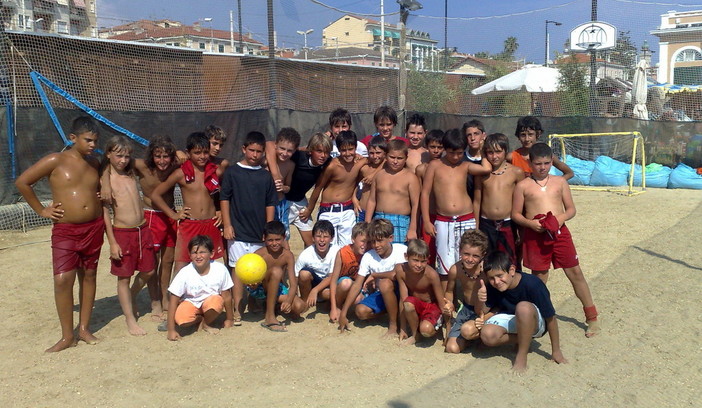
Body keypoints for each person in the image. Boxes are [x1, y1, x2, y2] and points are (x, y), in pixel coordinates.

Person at [15, 116, 104, 352]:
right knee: (63, 280)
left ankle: (84, 329)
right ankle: (67, 336)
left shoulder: (94, 163)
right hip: (66, 229)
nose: (93, 145)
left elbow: (110, 176)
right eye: (88, 140)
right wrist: (41, 210)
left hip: (94, 226)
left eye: (95, 140)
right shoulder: (56, 159)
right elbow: (23, 182)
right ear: (72, 138)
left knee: (90, 275)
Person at [512, 142, 599, 337]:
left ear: (552, 161)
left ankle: (591, 317)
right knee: (539, 279)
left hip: (559, 233)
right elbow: (516, 214)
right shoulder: (523, 186)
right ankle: (538, 318)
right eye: (537, 164)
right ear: (530, 163)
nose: (542, 167)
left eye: (546, 163)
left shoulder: (560, 182)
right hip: (536, 236)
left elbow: (571, 209)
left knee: (575, 272)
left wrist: (559, 219)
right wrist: (530, 224)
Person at [220, 131, 277, 325]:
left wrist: (268, 229)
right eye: (251, 150)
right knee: (237, 270)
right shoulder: (232, 172)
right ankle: (237, 308)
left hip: (259, 233)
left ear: (263, 153)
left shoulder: (265, 176)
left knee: (258, 270)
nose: (254, 155)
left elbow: (271, 203)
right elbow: (224, 199)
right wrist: (227, 225)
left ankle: (255, 303)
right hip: (238, 232)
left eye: (259, 151)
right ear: (244, 149)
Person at [101, 136, 156, 336]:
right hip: (122, 232)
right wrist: (112, 242)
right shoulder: (104, 180)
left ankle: (131, 297)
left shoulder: (130, 173)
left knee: (149, 271)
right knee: (124, 277)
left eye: (126, 156)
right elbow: (105, 212)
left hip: (142, 229)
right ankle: (130, 319)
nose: (123, 160)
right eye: (118, 156)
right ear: (108, 154)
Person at [479, 251, 567, 374]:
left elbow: (550, 318)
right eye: (491, 278)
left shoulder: (533, 284)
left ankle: (522, 355)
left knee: (523, 307)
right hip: (512, 318)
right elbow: (483, 311)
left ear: (512, 270)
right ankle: (523, 339)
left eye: (500, 276)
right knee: (487, 335)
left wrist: (556, 351)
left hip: (535, 322)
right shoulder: (493, 286)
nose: (497, 281)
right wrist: (481, 298)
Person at [151, 132, 225, 276]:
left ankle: (211, 297)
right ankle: (176, 298)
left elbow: (224, 194)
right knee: (181, 266)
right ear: (188, 153)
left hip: (211, 223)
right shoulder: (181, 173)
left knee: (213, 265)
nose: (202, 156)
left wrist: (220, 210)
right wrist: (173, 214)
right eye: (197, 153)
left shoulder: (216, 171)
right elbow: (156, 195)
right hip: (190, 224)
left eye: (205, 152)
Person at [421, 129, 491, 276]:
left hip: (466, 218)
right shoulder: (435, 165)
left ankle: (468, 298)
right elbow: (425, 193)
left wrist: (481, 149)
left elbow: (486, 168)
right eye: (452, 152)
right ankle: (447, 296)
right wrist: (427, 221)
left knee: (469, 262)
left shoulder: (465, 166)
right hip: (443, 221)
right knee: (444, 266)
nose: (456, 156)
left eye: (459, 153)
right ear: (445, 149)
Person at [338, 219, 407, 338]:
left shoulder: (402, 251)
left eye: (380, 241)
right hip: (382, 294)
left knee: (385, 283)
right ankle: (391, 311)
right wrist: (343, 313)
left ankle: (393, 325)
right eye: (373, 241)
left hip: (402, 293)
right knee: (360, 311)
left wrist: (375, 275)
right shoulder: (369, 256)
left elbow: (395, 274)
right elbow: (357, 285)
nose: (376, 245)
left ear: (390, 238)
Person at [267, 132, 332, 247]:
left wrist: (309, 209)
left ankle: (307, 264)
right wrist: (275, 174)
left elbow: (318, 188)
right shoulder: (298, 156)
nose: (323, 155)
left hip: (300, 203)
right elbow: (269, 144)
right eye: (319, 151)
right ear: (311, 150)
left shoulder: (327, 162)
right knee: (282, 241)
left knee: (311, 242)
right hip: (284, 202)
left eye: (326, 152)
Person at [166, 235, 234, 341]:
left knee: (216, 301)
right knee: (181, 320)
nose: (198, 256)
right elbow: (173, 300)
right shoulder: (184, 272)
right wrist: (171, 330)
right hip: (191, 302)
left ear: (211, 253)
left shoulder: (220, 269)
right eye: (194, 252)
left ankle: (206, 323)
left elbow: (227, 296)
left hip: (210, 302)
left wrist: (230, 319)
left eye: (202, 252)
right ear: (189, 254)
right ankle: (199, 319)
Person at [306, 131, 366, 246]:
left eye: (351, 149)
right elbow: (318, 187)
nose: (347, 153)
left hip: (348, 210)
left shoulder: (360, 162)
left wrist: (372, 175)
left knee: (347, 246)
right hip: (328, 211)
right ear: (338, 149)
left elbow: (380, 161)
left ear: (356, 148)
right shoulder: (332, 166)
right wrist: (309, 209)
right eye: (343, 150)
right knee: (326, 246)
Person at [473, 133, 525, 267]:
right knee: (487, 262)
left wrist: (521, 228)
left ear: (505, 151)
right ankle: (489, 288)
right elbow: (477, 201)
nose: (494, 156)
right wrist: (476, 228)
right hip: (486, 225)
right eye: (490, 152)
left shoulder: (516, 172)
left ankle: (512, 288)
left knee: (510, 262)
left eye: (498, 152)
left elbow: (522, 203)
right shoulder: (482, 174)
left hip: (508, 224)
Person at [253, 221, 307, 331]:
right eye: (270, 240)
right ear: (264, 238)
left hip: (278, 289)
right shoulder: (259, 254)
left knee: (300, 306)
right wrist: (253, 286)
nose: (274, 243)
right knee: (276, 271)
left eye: (277, 239)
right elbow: (250, 277)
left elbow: (293, 284)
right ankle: (269, 317)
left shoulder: (287, 255)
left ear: (284, 238)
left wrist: (289, 300)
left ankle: (276, 305)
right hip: (261, 288)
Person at [365, 140, 420, 244]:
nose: (395, 161)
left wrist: (412, 229)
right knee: (379, 251)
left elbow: (416, 205)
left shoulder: (410, 177)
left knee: (399, 255)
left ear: (406, 158)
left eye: (399, 158)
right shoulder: (379, 175)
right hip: (379, 219)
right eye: (392, 157)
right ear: (386, 156)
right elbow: (372, 200)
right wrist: (367, 223)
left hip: (401, 221)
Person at [444, 230, 489, 354]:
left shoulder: (486, 271)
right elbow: (449, 291)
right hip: (466, 310)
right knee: (452, 348)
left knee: (468, 330)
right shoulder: (456, 269)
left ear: (483, 255)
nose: (470, 259)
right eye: (466, 254)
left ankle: (478, 334)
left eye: (475, 256)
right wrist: (449, 304)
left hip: (484, 311)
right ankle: (470, 338)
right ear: (460, 251)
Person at [396, 239, 448, 346]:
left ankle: (436, 324)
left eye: (423, 261)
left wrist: (448, 331)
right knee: (408, 303)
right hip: (416, 305)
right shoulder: (400, 270)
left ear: (428, 260)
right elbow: (403, 299)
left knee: (426, 330)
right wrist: (403, 328)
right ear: (406, 257)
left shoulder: (431, 275)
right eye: (415, 260)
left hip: (432, 307)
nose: (419, 265)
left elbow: (442, 303)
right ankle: (415, 335)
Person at [508, 116, 573, 179]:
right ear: (518, 136)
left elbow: (569, 173)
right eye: (523, 135)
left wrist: (554, 184)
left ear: (538, 134)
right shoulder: (512, 157)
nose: (527, 139)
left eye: (530, 134)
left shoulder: (546, 155)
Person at [294, 220, 340, 308]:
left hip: (329, 285)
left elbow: (332, 277)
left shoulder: (336, 251)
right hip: (313, 282)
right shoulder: (306, 254)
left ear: (332, 238)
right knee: (304, 274)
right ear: (313, 238)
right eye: (318, 236)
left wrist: (315, 290)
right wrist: (294, 296)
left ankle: (326, 301)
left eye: (326, 237)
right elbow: (295, 276)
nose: (322, 240)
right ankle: (305, 300)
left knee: (329, 294)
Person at [329, 222, 369, 323]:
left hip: (358, 286)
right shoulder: (343, 253)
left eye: (368, 242)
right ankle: (338, 306)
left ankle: (347, 308)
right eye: (362, 241)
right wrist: (333, 307)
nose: (365, 245)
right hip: (343, 284)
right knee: (346, 283)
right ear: (353, 239)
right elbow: (333, 281)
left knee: (358, 300)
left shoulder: (369, 253)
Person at [415, 129, 444, 268]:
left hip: (444, 217)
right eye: (433, 147)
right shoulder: (421, 169)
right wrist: (422, 221)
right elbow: (420, 196)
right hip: (428, 217)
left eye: (440, 147)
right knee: (427, 255)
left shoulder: (448, 167)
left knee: (446, 255)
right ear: (426, 147)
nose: (436, 150)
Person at [267, 128, 300, 242]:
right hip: (267, 204)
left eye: (289, 150)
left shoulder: (290, 165)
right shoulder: (267, 160)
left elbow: (288, 187)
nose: (285, 153)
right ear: (276, 145)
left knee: (283, 235)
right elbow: (268, 144)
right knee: (269, 234)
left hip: (282, 204)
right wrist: (275, 175)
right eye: (282, 148)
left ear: (295, 151)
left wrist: (284, 188)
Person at [354, 135, 387, 223]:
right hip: (362, 209)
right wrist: (354, 199)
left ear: (385, 153)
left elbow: (386, 161)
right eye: (371, 153)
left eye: (378, 153)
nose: (375, 156)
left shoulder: (388, 168)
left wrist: (373, 175)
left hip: (379, 213)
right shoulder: (364, 168)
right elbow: (355, 185)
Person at [462, 119, 487, 199]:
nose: (472, 138)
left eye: (476, 134)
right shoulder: (460, 159)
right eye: (469, 135)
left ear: (483, 135)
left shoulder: (491, 158)